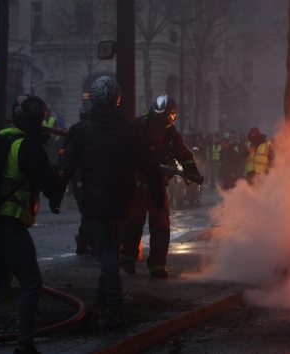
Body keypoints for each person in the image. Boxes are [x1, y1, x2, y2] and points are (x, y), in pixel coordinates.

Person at [58, 76, 164, 328]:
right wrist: (158, 194)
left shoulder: (82, 130)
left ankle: (115, 311)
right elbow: (150, 165)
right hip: (124, 199)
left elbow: (65, 166)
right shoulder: (132, 129)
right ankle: (102, 299)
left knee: (106, 253)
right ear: (118, 98)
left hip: (96, 200)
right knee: (111, 250)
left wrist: (55, 195)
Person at [0, 95, 63, 354]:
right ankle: (25, 345)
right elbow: (52, 185)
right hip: (8, 224)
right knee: (31, 282)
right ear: (39, 121)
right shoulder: (28, 147)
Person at [120, 95, 200, 279]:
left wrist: (191, 170)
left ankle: (157, 265)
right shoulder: (138, 127)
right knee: (133, 223)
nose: (163, 122)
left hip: (158, 187)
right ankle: (128, 257)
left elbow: (184, 154)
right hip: (137, 186)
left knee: (161, 227)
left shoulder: (172, 135)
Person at [57, 109, 94, 256]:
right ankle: (86, 242)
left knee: (90, 211)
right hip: (80, 177)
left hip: (88, 176)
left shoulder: (87, 131)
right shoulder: (78, 131)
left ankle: (85, 241)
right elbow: (65, 153)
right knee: (88, 211)